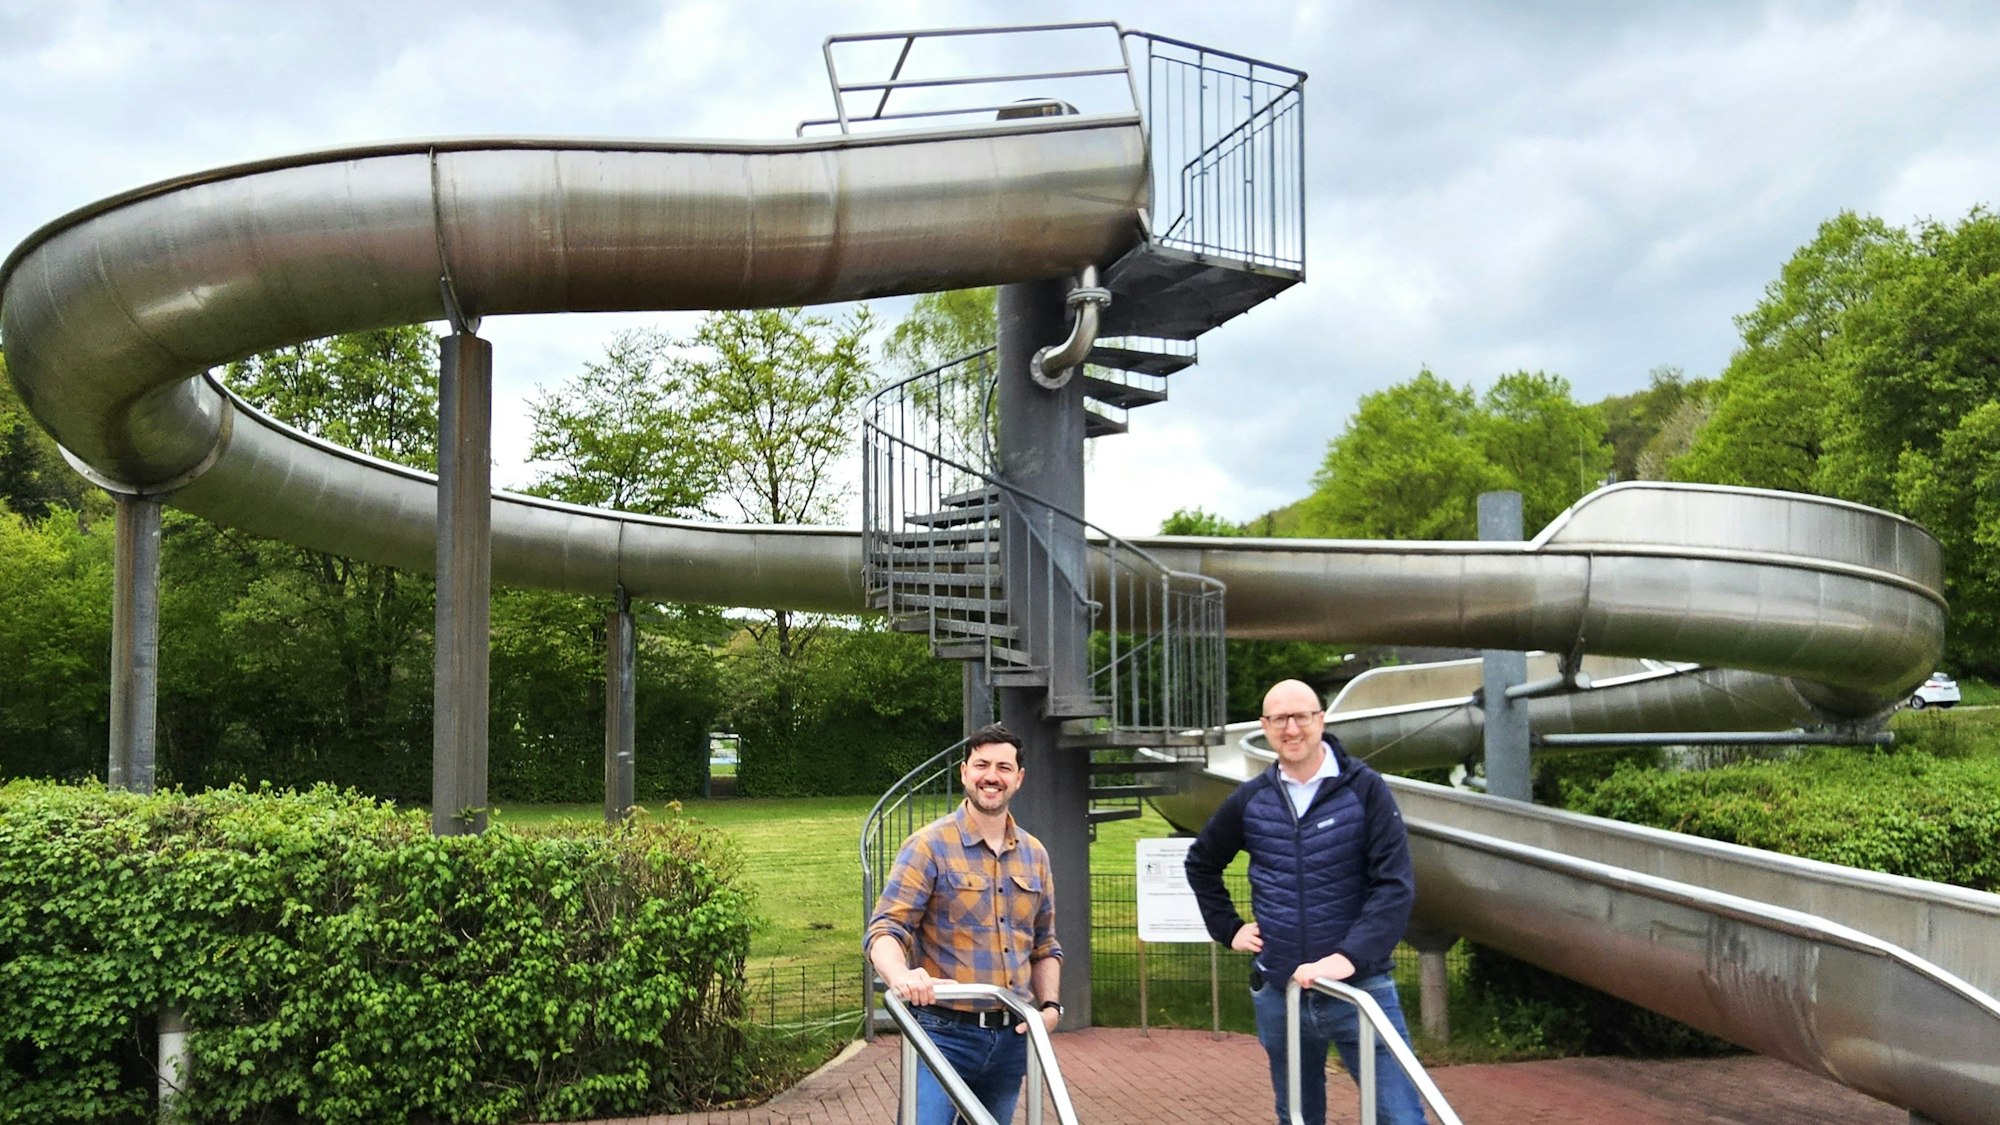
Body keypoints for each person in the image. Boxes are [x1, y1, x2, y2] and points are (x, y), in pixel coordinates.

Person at [1184, 679, 1427, 1125]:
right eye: (1279, 719)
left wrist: (1348, 958)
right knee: (1297, 1116)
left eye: (1302, 716)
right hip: (1283, 991)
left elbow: (1394, 887)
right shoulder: (1252, 799)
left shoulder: (1366, 791)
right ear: (1264, 726)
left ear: (1321, 720)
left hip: (1360, 989)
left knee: (1400, 1116)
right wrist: (1230, 928)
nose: (1291, 728)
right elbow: (1201, 862)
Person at [867, 723, 1064, 1125]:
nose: (992, 776)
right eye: (982, 765)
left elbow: (1045, 945)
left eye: (1004, 767)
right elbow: (885, 930)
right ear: (964, 772)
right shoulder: (928, 846)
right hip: (943, 1033)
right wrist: (902, 976)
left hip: (1012, 1039)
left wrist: (1050, 1007)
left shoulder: (1035, 855)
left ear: (1019, 779)